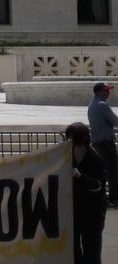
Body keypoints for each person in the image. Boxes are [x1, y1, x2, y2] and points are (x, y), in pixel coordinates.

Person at [66, 122, 107, 264]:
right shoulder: (66, 156)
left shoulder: (95, 158)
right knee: (73, 252)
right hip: (72, 212)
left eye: (72, 138)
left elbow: (99, 186)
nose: (70, 141)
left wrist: (80, 176)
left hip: (92, 213)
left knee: (92, 252)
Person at [89, 82, 118, 208]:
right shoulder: (102, 105)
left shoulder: (92, 105)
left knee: (102, 171)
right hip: (106, 143)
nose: (108, 92)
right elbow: (115, 121)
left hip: (97, 143)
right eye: (106, 90)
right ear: (99, 92)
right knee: (113, 171)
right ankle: (114, 198)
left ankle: (101, 197)